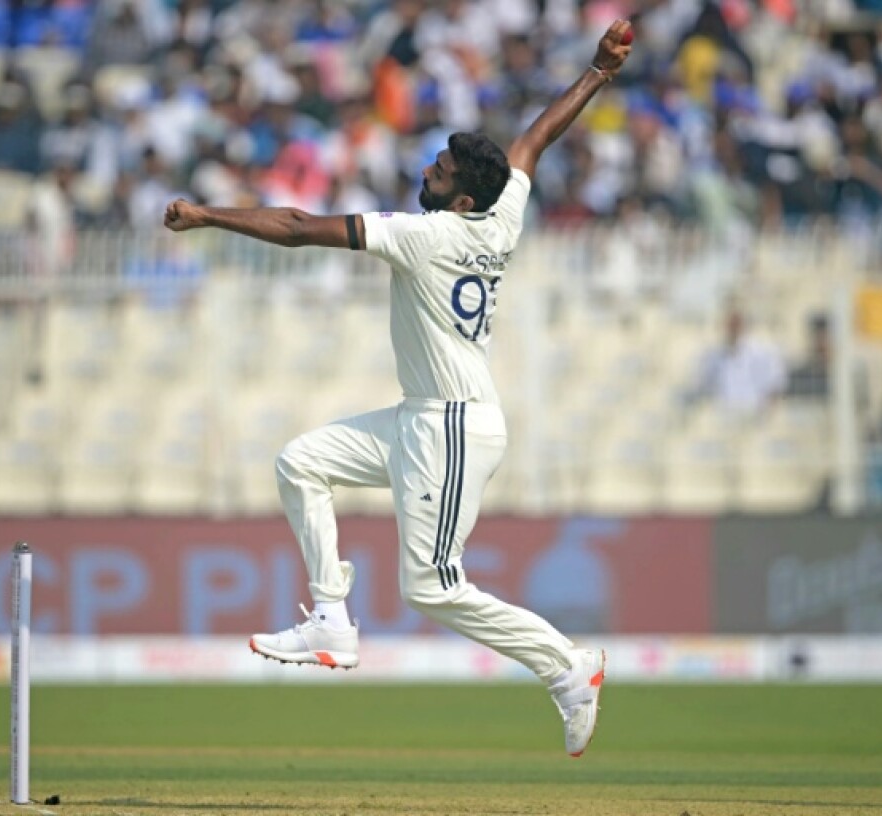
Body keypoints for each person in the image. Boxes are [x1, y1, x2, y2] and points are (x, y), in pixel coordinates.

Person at [164, 21, 633, 758]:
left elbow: (294, 227)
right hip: (422, 416)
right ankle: (330, 619)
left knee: (433, 587)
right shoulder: (501, 214)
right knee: (301, 461)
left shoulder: (427, 235)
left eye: (443, 170)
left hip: (451, 425)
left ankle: (569, 666)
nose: (430, 168)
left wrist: (208, 216)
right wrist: (598, 73)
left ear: (463, 201)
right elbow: (533, 142)